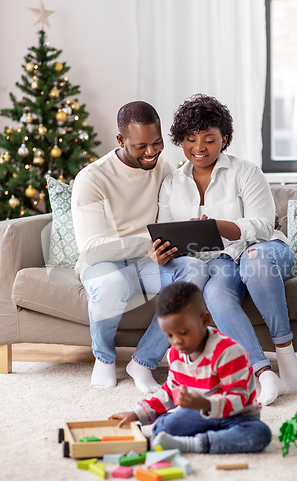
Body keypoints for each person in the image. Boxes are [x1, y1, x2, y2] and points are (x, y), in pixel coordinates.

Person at [156, 94, 297, 406]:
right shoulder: (171, 184)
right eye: (190, 139)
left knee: (254, 259)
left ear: (225, 138)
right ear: (180, 141)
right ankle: (263, 374)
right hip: (220, 262)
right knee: (214, 294)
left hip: (266, 250)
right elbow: (166, 230)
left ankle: (288, 360)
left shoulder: (246, 172)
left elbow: (263, 226)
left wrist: (217, 225)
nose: (199, 147)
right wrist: (164, 251)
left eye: (209, 139)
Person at [71, 101, 209, 392]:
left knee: (195, 270)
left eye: (157, 143)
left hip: (148, 262)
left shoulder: (163, 167)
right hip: (104, 263)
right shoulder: (92, 178)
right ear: (121, 140)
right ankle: (104, 358)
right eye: (141, 146)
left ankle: (143, 362)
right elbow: (92, 248)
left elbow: (174, 216)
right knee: (109, 284)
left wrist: (189, 228)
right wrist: (148, 243)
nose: (151, 153)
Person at [110, 282, 272, 454]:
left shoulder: (229, 352)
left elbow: (239, 399)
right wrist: (136, 414)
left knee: (259, 434)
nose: (176, 341)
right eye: (170, 335)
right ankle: (214, 437)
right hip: (198, 414)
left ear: (204, 320)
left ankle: (193, 444)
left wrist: (205, 403)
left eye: (183, 332)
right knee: (161, 427)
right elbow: (169, 391)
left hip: (236, 417)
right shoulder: (175, 353)